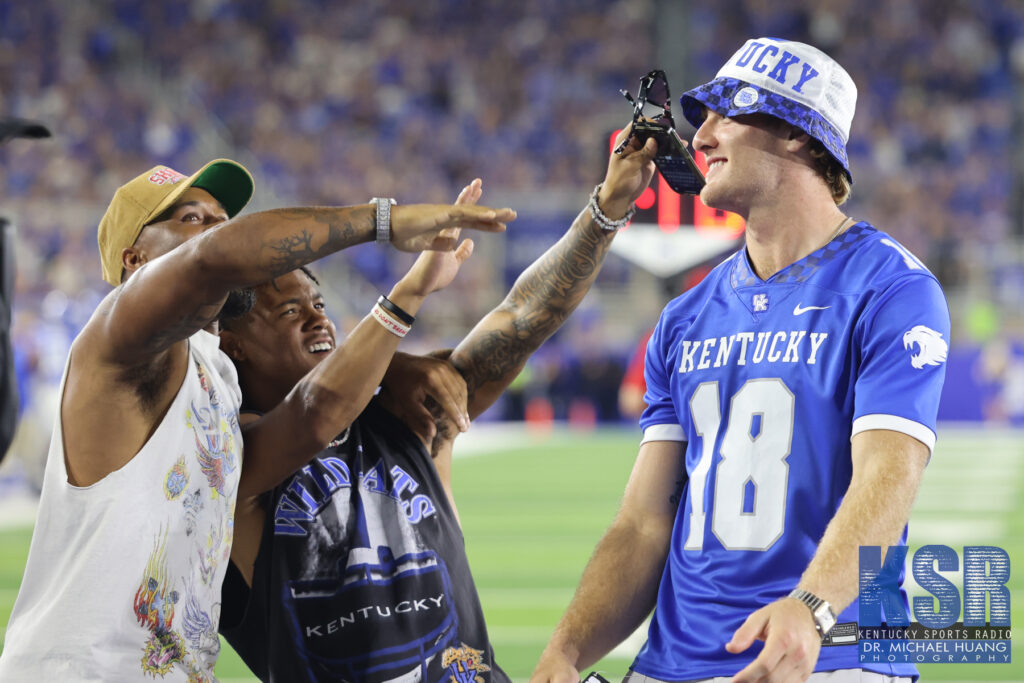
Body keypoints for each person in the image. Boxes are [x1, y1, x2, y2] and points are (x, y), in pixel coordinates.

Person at [532, 37, 950, 683]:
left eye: (727, 112)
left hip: (829, 656)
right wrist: (567, 651)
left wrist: (810, 608)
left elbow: (888, 476)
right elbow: (644, 521)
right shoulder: (686, 316)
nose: (701, 136)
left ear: (795, 134)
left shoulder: (890, 286)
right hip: (669, 664)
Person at [0, 158, 514, 680]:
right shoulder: (117, 340)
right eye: (192, 220)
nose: (216, 231)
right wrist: (384, 220)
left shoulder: (217, 375)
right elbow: (212, 261)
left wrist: (395, 350)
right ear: (136, 260)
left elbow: (315, 416)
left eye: (222, 219)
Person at [216, 131, 658, 683]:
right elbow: (316, 410)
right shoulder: (228, 461)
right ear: (228, 343)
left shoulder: (407, 416)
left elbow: (519, 322)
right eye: (288, 312)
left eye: (320, 302)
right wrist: (407, 298)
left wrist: (607, 208)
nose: (319, 319)